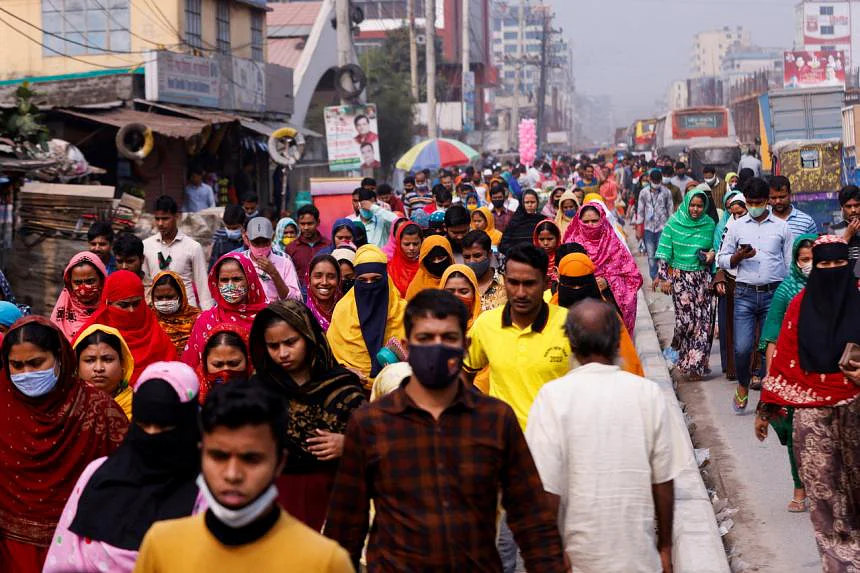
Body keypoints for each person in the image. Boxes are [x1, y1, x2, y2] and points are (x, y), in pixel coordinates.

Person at [324, 289, 568, 572]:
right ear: (407, 345)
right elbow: (345, 527)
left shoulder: (495, 420)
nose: (437, 348)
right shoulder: (371, 424)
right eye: (426, 338)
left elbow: (532, 519)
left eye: (448, 338)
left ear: (464, 345)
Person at [526, 299, 681, 573]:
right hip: (638, 559)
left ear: (571, 344)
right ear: (616, 341)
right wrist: (665, 547)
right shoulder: (647, 394)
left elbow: (544, 490)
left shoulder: (553, 397)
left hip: (578, 560)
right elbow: (663, 482)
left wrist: (549, 552)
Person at [134, 380, 355, 573]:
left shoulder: (326, 562)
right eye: (218, 456)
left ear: (279, 462)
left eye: (251, 459)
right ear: (200, 455)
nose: (232, 475)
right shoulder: (161, 546)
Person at [756, 236, 860, 570]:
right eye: (823, 264)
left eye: (838, 264)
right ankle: (839, 562)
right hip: (811, 409)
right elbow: (785, 357)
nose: (831, 270)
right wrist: (767, 407)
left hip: (856, 405)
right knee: (824, 490)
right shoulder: (799, 305)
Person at [44, 362, 202, 573]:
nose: (152, 435)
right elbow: (64, 558)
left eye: (165, 426)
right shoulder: (98, 475)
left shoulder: (206, 492)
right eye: (143, 425)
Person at [0, 317, 127, 572]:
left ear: (59, 356)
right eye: (17, 365)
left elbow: (127, 475)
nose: (27, 373)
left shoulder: (98, 408)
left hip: (80, 545)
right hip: (9, 547)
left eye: (36, 363)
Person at [249, 300, 365, 531]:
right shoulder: (258, 391)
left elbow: (377, 440)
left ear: (309, 336)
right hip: (273, 496)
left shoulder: (343, 387)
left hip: (333, 494)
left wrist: (350, 444)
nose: (283, 353)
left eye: (291, 342)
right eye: (273, 346)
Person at [718, 177, 794, 413]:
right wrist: (739, 257)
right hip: (745, 294)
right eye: (750, 202)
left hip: (774, 293)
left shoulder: (782, 227)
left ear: (767, 202)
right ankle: (742, 383)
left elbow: (790, 264)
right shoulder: (736, 226)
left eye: (758, 202)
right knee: (741, 348)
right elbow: (722, 258)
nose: (754, 206)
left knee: (771, 348)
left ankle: (769, 396)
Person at [753, 234, 816, 513]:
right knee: (795, 433)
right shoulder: (786, 291)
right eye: (805, 260)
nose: (810, 265)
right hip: (794, 372)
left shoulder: (836, 289)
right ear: (795, 261)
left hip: (828, 373)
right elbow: (772, 336)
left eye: (815, 259)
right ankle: (799, 487)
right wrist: (772, 378)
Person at [654, 188, 716, 381]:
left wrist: (712, 254)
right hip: (681, 279)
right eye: (693, 205)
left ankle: (696, 365)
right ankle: (680, 350)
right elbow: (664, 251)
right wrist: (664, 278)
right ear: (686, 204)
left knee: (703, 324)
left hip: (703, 280)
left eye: (699, 206)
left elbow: (717, 245)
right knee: (686, 323)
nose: (696, 209)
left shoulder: (710, 224)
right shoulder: (674, 223)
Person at [550, 253, 644, 377]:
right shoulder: (550, 314)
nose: (577, 289)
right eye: (571, 284)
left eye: (582, 284)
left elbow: (628, 361)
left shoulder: (606, 317)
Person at [327, 245, 406, 387]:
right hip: (354, 389)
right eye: (363, 280)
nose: (370, 285)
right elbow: (332, 357)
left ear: (386, 278)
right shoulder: (343, 310)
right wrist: (347, 372)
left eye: (376, 279)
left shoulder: (404, 311)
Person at [83, 270, 177, 384]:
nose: (131, 311)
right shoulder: (93, 332)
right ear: (108, 303)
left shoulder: (153, 329)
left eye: (136, 304)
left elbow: (174, 373)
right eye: (124, 305)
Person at [564, 202, 643, 334]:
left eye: (595, 221)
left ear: (602, 220)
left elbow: (633, 277)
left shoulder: (614, 244)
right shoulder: (571, 244)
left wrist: (609, 281)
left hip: (609, 309)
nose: (590, 225)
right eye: (586, 221)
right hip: (579, 307)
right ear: (579, 221)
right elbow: (562, 276)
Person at [183, 253, 269, 370]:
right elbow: (191, 366)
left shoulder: (266, 318)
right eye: (224, 280)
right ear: (216, 283)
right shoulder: (205, 320)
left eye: (236, 279)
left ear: (250, 280)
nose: (230, 286)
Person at [142, 195, 213, 310]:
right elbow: (146, 283)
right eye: (157, 219)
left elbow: (202, 284)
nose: (160, 223)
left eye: (165, 218)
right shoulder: (146, 245)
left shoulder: (193, 247)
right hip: (158, 311)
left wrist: (207, 313)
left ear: (177, 216)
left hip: (187, 312)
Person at [712, 191, 748, 380]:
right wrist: (719, 275)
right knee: (731, 326)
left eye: (741, 213)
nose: (737, 217)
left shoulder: (754, 227)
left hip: (752, 281)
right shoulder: (727, 227)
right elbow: (721, 253)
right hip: (732, 281)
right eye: (733, 213)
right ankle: (732, 368)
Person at [74, 324, 135, 420]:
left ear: (122, 364)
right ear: (76, 366)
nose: (99, 368)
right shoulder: (66, 407)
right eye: (90, 360)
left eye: (108, 359)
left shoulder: (138, 407)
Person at [239, 217, 301, 302]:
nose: (261, 246)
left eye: (265, 242)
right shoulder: (239, 261)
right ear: (247, 239)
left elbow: (295, 299)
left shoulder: (284, 261)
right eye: (256, 242)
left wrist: (274, 273)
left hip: (275, 313)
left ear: (272, 237)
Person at [51, 251, 107, 342]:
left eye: (90, 281)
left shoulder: (111, 309)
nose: (83, 289)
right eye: (77, 282)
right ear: (69, 283)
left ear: (101, 280)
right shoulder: (60, 315)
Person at [149, 270, 201, 357]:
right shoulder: (148, 318)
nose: (164, 301)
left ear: (181, 295)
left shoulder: (197, 318)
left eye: (170, 297)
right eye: (159, 298)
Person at [197, 324, 252, 404]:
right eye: (217, 365)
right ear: (205, 364)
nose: (225, 372)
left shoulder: (263, 396)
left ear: (248, 360)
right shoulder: (193, 398)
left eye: (234, 364)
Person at [635, 170, 674, 280]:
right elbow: (640, 211)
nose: (656, 182)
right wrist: (638, 228)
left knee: (662, 254)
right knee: (651, 255)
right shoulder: (643, 192)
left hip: (663, 228)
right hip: (648, 228)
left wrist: (671, 229)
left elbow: (670, 211)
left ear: (661, 180)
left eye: (658, 181)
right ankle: (654, 277)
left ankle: (662, 277)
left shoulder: (667, 192)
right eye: (654, 180)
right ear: (650, 180)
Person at [284, 205, 332, 289]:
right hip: (300, 296)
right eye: (302, 224)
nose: (306, 228)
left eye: (310, 224)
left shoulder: (329, 245)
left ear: (318, 222)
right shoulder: (290, 248)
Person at [462, 230, 507, 311]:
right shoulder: (459, 286)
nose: (471, 261)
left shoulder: (506, 283)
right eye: (467, 257)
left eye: (477, 256)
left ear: (489, 254)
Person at [405, 235, 454, 300]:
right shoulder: (416, 286)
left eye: (441, 258)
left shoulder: (458, 279)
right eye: (432, 259)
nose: (437, 262)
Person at [499, 189, 545, 255]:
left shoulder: (542, 220)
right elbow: (504, 245)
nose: (530, 205)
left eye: (532, 202)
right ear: (522, 203)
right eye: (527, 202)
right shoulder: (515, 221)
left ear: (537, 203)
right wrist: (517, 253)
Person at [305, 254, 343, 332]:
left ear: (339, 280)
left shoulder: (349, 312)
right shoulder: (302, 317)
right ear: (309, 279)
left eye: (331, 277)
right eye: (318, 276)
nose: (324, 282)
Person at [828, 184, 860, 274]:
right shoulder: (834, 230)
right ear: (842, 208)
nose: (853, 210)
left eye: (857, 205)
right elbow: (830, 257)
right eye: (849, 206)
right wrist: (847, 236)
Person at [387, 222, 423, 297]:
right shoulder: (389, 268)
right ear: (399, 243)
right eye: (406, 244)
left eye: (415, 244)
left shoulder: (427, 266)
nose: (411, 248)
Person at [209, 204, 247, 270]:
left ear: (243, 224)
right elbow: (213, 265)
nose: (231, 231)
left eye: (235, 228)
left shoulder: (249, 242)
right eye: (228, 228)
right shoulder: (220, 241)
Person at [533, 220, 561, 286]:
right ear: (536, 239)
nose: (545, 243)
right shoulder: (532, 259)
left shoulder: (563, 257)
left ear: (557, 238)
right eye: (541, 239)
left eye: (550, 239)